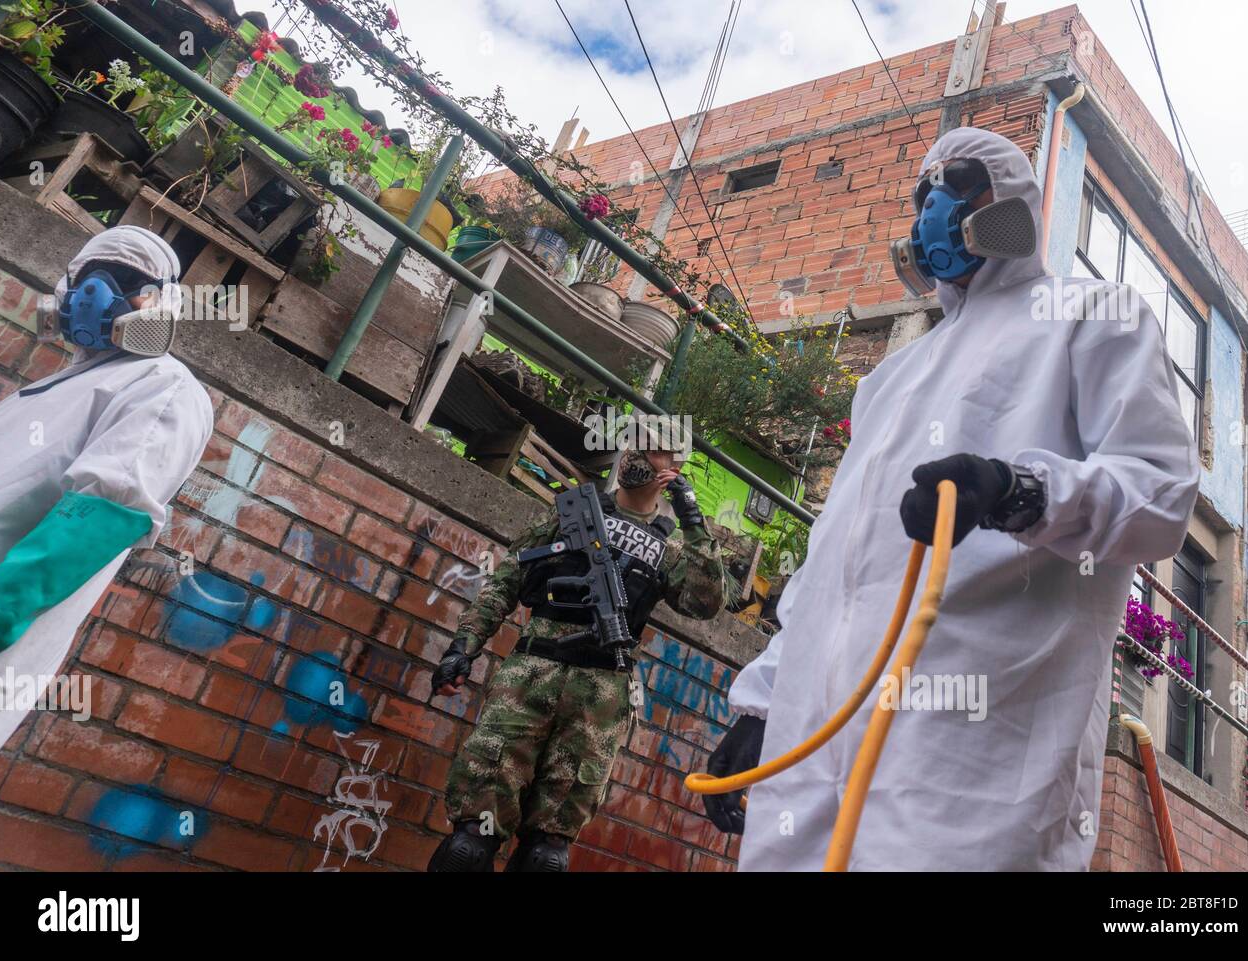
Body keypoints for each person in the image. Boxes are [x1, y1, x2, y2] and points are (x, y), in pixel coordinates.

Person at [706, 127, 1199, 870]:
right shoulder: (891, 380)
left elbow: (1160, 493)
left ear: (1011, 208)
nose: (934, 205)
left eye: (958, 183)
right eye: (923, 190)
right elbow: (833, 567)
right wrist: (765, 703)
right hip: (813, 755)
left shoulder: (1094, 317)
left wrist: (1017, 492)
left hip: (974, 759)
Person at [428, 427, 725, 871]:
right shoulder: (572, 513)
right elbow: (507, 580)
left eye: (656, 450)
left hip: (600, 699)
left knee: (547, 853)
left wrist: (694, 522)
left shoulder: (671, 547)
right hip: (530, 677)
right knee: (471, 841)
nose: (640, 455)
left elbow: (704, 604)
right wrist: (463, 647)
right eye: (636, 445)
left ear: (674, 469)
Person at [0, 225, 213, 760]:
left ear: (164, 304)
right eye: (92, 277)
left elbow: (100, 518)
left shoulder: (163, 385)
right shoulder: (32, 396)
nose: (101, 293)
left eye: (130, 282)